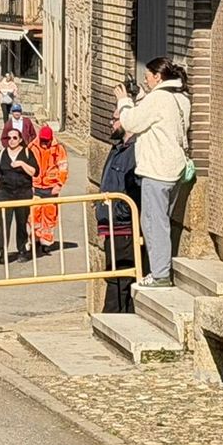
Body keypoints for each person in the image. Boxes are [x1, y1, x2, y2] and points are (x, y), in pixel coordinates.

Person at [115, 57, 191, 288]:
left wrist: (124, 102)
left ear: (158, 77)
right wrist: (140, 98)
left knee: (153, 223)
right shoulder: (180, 98)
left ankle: (159, 274)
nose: (145, 81)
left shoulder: (158, 99)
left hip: (156, 170)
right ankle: (160, 269)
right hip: (174, 169)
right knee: (162, 220)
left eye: (147, 76)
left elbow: (131, 123)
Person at [96, 115, 142, 312]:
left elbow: (135, 186)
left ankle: (116, 314)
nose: (110, 122)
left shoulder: (134, 151)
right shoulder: (117, 149)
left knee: (122, 274)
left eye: (115, 118)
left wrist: (120, 210)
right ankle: (114, 313)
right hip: (111, 223)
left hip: (123, 225)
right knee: (113, 272)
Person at [0, 127, 40, 264]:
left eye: (14, 138)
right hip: (4, 193)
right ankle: (0, 250)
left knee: (21, 222)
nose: (11, 140)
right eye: (8, 138)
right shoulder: (1, 154)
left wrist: (22, 164)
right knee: (4, 222)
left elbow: (35, 172)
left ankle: (22, 250)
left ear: (20, 139)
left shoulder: (27, 153)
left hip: (23, 192)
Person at [28, 125, 69, 254]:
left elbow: (63, 168)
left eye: (47, 141)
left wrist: (59, 185)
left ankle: (46, 242)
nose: (44, 143)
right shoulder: (32, 147)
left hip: (51, 187)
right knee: (34, 216)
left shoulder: (58, 148)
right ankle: (34, 240)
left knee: (50, 216)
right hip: (36, 186)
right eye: (43, 140)